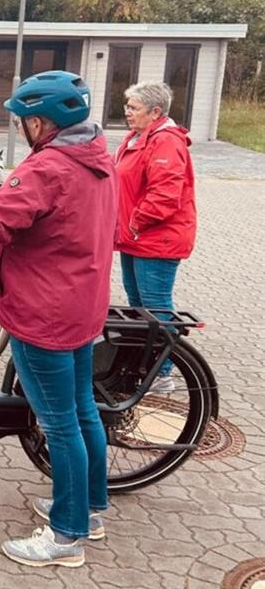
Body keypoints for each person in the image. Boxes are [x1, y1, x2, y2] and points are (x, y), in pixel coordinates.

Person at [0, 71, 115, 568]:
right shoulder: (96, 155)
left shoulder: (48, 167)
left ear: (44, 122)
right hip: (81, 304)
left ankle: (65, 536)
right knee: (81, 411)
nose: (23, 127)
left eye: (25, 119)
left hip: (43, 311)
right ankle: (90, 510)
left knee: (59, 425)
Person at [114, 80, 197, 393]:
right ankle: (144, 365)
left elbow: (165, 193)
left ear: (156, 111)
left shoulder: (166, 142)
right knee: (139, 307)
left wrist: (135, 222)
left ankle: (163, 374)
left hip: (155, 240)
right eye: (128, 107)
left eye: (134, 108)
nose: (127, 113)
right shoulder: (139, 137)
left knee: (156, 307)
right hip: (135, 238)